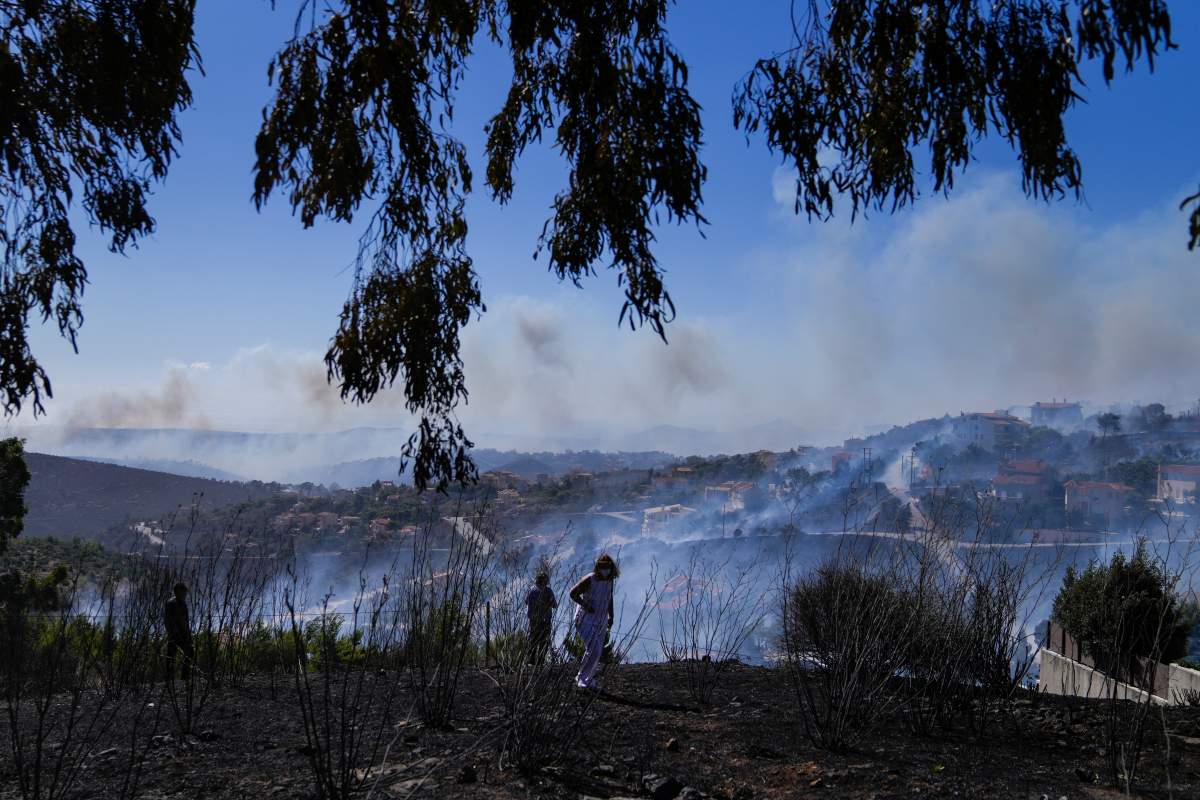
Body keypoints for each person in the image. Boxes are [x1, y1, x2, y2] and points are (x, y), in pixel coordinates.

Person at [569, 554, 618, 690]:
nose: (606, 570)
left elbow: (609, 598)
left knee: (595, 651)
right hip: (585, 619)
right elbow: (573, 593)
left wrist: (611, 616)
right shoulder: (590, 579)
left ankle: (585, 677)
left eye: (608, 567)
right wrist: (585, 605)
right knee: (594, 649)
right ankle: (582, 680)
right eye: (603, 567)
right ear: (598, 567)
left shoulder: (609, 581)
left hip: (601, 619)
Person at [525, 571, 558, 665]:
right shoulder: (548, 591)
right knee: (544, 641)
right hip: (545, 620)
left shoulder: (531, 590)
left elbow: (526, 602)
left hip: (533, 620)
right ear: (545, 581)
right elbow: (555, 605)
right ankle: (540, 662)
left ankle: (530, 661)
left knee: (533, 640)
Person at [164, 582, 194, 681]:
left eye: (185, 592)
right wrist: (173, 633)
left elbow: (185, 622)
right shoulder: (171, 603)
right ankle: (169, 679)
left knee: (189, 652)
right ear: (177, 592)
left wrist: (188, 635)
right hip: (175, 635)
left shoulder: (183, 604)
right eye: (183, 592)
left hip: (182, 634)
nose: (185, 594)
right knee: (171, 656)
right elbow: (168, 621)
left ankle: (184, 678)